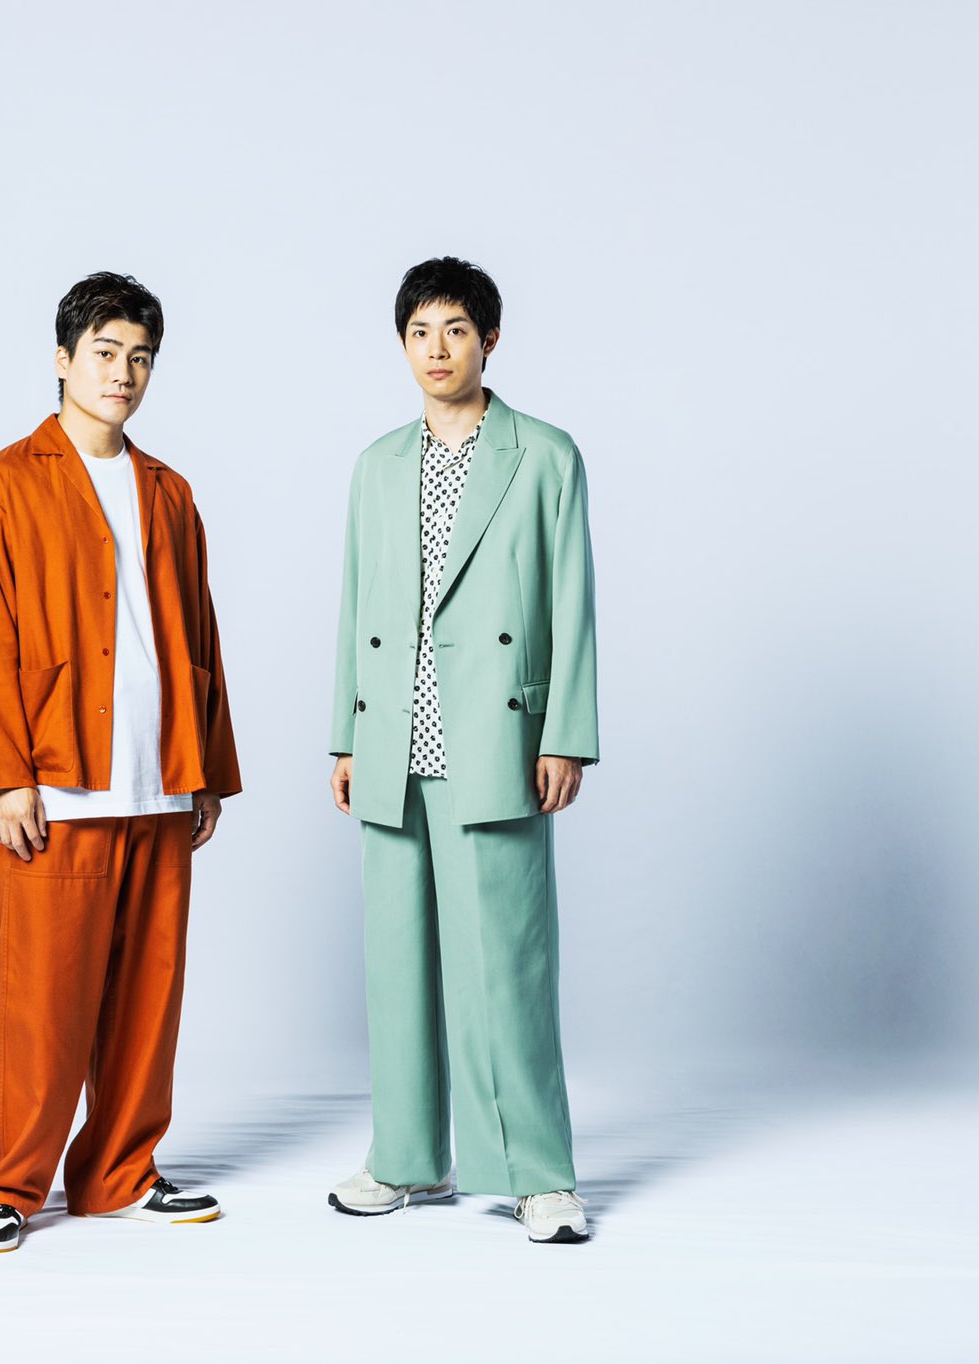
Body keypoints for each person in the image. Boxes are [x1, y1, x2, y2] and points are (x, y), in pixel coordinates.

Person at [0, 272, 240, 1254]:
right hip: (58, 779)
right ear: (63, 358)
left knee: (146, 998)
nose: (124, 373)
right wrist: (4, 775)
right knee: (40, 998)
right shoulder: (4, 483)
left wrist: (207, 767)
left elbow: (199, 636)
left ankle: (120, 1170)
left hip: (160, 780)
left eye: (140, 357)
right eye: (106, 353)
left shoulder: (169, 490)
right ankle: (7, 1183)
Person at [326, 256, 599, 1244]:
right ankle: (406, 1158)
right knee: (397, 965)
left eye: (454, 329)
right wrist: (347, 735)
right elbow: (357, 604)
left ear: (489, 339)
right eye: (418, 332)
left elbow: (570, 597)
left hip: (496, 737)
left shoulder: (544, 455)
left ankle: (538, 1173)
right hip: (393, 739)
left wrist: (565, 735)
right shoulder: (377, 463)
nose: (436, 349)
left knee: (505, 967)